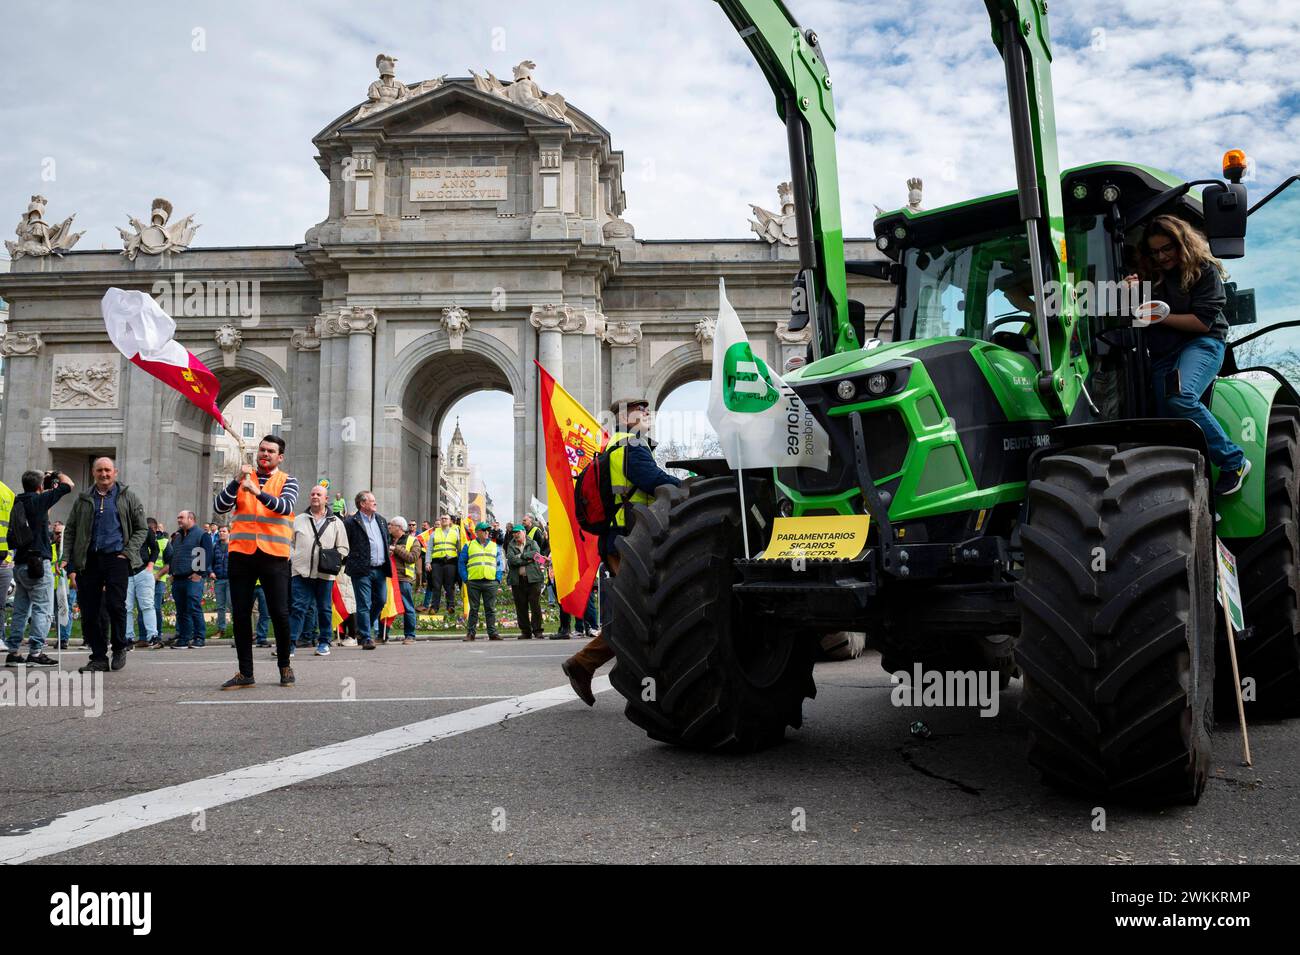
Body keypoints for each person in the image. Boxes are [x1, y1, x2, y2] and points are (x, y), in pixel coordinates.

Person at [562, 397, 682, 705]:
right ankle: (591, 666)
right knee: (644, 611)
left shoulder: (615, 446)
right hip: (629, 540)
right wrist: (687, 486)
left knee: (641, 611)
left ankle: (585, 664)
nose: (646, 414)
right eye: (639, 411)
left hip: (621, 539)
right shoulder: (631, 446)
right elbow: (652, 480)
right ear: (624, 419)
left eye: (646, 410)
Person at [1128, 214, 1249, 495]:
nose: (1161, 257)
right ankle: (1194, 497)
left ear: (1182, 243)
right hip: (1161, 355)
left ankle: (1234, 460)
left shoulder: (1204, 271)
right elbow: (1131, 316)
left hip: (1202, 344)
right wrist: (1129, 291)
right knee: (1166, 425)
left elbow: (1200, 322)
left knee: (1180, 396)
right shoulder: (1150, 276)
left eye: (1167, 248)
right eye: (1155, 251)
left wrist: (1155, 316)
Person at [213, 435, 299, 689]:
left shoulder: (288, 481)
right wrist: (237, 482)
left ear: (279, 457)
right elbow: (219, 507)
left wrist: (257, 492)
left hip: (274, 554)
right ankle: (245, 672)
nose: (265, 454)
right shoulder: (242, 481)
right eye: (262, 449)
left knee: (280, 613)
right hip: (242, 554)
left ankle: (284, 665)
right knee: (240, 614)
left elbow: (285, 507)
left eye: (271, 451)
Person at [61, 458, 148, 672]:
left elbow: (142, 529)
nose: (104, 474)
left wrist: (127, 553)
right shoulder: (83, 499)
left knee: (116, 605)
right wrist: (66, 556)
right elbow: (70, 530)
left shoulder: (128, 497)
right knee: (90, 611)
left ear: (115, 472)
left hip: (116, 559)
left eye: (108, 470)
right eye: (100, 470)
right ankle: (98, 657)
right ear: (93, 472)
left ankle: (119, 647)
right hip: (88, 561)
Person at [4, 469, 73, 667]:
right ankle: (35, 652)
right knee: (42, 609)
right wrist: (57, 473)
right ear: (39, 486)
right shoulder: (39, 500)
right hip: (38, 564)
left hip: (20, 563)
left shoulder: (17, 501)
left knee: (20, 610)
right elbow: (69, 484)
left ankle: (13, 652)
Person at [289, 484, 349, 657]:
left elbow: (344, 547)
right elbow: (289, 543)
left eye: (318, 494)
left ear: (326, 499)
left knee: (324, 609)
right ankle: (290, 644)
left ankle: (324, 642)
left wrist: (334, 562)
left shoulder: (336, 522)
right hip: (301, 572)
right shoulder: (298, 519)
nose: (315, 496)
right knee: (298, 608)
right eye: (312, 494)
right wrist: (294, 558)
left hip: (325, 573)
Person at [344, 490, 388, 651]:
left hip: (380, 569)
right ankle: (366, 637)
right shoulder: (351, 522)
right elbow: (345, 542)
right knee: (364, 603)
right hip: (361, 570)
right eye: (372, 501)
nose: (375, 503)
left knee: (381, 600)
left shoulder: (381, 520)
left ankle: (363, 627)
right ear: (362, 504)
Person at [163, 510, 212, 649]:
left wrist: (199, 573)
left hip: (193, 579)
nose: (178, 520)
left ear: (191, 519)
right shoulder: (177, 536)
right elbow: (172, 556)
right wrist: (172, 573)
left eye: (181, 517)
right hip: (178, 579)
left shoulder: (202, 535)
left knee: (194, 607)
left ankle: (199, 638)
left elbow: (207, 554)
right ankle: (184, 638)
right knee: (181, 610)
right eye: (178, 517)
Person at [458, 521, 502, 641]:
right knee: (474, 609)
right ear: (477, 532)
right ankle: (471, 634)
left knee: (490, 609)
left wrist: (498, 579)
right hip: (474, 582)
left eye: (488, 530)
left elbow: (499, 564)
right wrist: (465, 578)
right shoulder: (469, 545)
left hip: (490, 581)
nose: (487, 532)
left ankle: (492, 633)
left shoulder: (494, 546)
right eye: (484, 530)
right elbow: (461, 563)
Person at [125, 514, 160, 649]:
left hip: (142, 571)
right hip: (126, 573)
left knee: (147, 605)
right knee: (126, 607)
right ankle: (128, 638)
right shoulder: (121, 529)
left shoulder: (146, 530)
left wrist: (150, 565)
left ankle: (153, 636)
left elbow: (155, 548)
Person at [506, 524, 546, 640]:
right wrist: (527, 560)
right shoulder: (511, 545)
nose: (515, 535)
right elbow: (512, 560)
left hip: (533, 579)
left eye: (518, 532)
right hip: (518, 580)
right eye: (514, 533)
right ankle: (525, 631)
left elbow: (536, 555)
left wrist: (521, 556)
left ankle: (538, 631)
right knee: (521, 606)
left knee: (535, 606)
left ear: (524, 532)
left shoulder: (532, 542)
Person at [388, 516, 421, 644]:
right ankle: (382, 634)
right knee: (385, 607)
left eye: (392, 525)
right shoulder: (387, 539)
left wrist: (396, 549)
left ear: (400, 528)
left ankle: (410, 635)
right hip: (387, 578)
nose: (389, 527)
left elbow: (412, 557)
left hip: (403, 579)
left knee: (408, 607)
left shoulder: (413, 541)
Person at [426, 514, 461, 615]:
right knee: (436, 586)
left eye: (446, 518)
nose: (444, 520)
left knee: (450, 586)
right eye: (442, 518)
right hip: (437, 562)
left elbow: (459, 549)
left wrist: (461, 562)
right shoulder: (434, 533)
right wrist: (428, 562)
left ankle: (451, 606)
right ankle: (434, 607)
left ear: (450, 521)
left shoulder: (455, 533)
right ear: (440, 521)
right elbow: (429, 549)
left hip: (451, 562)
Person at [210, 525, 230, 639]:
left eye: (224, 531)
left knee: (232, 605)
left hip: (231, 580)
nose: (222, 533)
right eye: (220, 531)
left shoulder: (233, 546)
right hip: (219, 580)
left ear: (229, 533)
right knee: (220, 606)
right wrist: (211, 572)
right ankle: (221, 630)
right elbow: (209, 562)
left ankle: (237, 629)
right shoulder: (215, 546)